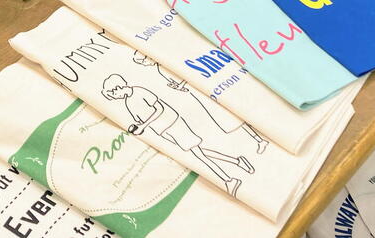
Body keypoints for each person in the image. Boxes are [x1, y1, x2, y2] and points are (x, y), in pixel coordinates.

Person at [102, 73, 253, 196]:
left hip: (173, 124)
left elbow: (159, 109)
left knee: (198, 154)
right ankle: (237, 161)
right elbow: (140, 119)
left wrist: (144, 125)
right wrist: (138, 126)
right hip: (164, 131)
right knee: (198, 151)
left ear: (118, 87)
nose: (115, 97)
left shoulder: (140, 92)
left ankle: (229, 180)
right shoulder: (128, 103)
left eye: (113, 94)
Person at [131, 52, 269, 153]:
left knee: (230, 115)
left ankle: (260, 138)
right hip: (198, 94)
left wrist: (181, 85)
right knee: (228, 118)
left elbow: (187, 74)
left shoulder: (164, 61)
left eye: (144, 58)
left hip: (204, 89)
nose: (147, 61)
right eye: (143, 61)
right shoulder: (160, 69)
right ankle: (259, 139)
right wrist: (179, 87)